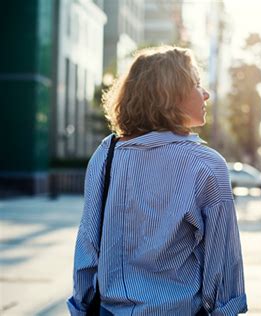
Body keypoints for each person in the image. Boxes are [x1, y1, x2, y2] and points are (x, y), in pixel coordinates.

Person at [67, 46, 247, 315]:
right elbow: (221, 263)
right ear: (170, 96)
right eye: (197, 84)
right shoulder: (206, 165)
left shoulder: (107, 154)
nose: (206, 93)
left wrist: (80, 307)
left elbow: (88, 247)